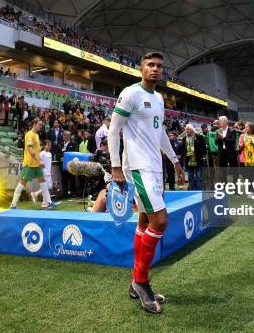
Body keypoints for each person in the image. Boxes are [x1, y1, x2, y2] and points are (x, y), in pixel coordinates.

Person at [109, 52, 185, 314]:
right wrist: (116, 167)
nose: (155, 69)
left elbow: (160, 131)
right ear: (141, 68)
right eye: (150, 65)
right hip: (138, 168)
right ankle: (141, 281)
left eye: (159, 66)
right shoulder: (130, 93)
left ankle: (135, 283)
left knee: (144, 222)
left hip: (155, 167)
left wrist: (174, 161)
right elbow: (113, 130)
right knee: (160, 221)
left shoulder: (158, 98)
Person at [10, 118, 50, 209]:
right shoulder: (29, 134)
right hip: (30, 164)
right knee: (22, 182)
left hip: (36, 164)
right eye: (39, 124)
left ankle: (48, 202)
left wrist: (40, 160)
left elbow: (36, 150)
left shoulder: (36, 135)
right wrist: (39, 161)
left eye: (41, 125)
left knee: (43, 181)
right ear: (34, 124)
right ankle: (13, 204)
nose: (41, 126)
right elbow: (30, 150)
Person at [29, 140, 60, 209]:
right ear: (44, 145)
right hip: (43, 172)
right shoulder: (41, 153)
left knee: (48, 187)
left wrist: (50, 171)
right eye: (48, 145)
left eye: (50, 145)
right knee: (46, 187)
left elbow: (50, 164)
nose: (49, 146)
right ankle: (46, 202)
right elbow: (38, 162)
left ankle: (38, 196)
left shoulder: (50, 154)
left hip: (48, 173)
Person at [239, 122, 254, 198]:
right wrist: (243, 144)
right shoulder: (242, 136)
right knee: (248, 176)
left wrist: (253, 143)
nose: (245, 128)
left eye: (247, 127)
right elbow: (239, 147)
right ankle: (251, 191)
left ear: (252, 128)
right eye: (245, 127)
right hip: (246, 159)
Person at [180, 123, 206, 190]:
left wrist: (199, 155)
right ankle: (191, 191)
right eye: (186, 129)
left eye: (188, 129)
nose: (187, 131)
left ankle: (199, 190)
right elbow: (183, 149)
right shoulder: (184, 139)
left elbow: (203, 149)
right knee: (190, 177)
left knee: (199, 177)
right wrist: (185, 155)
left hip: (198, 160)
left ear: (192, 130)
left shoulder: (199, 137)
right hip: (188, 160)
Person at [58, 131, 78, 199]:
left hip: (70, 165)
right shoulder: (60, 144)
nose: (63, 136)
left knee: (71, 179)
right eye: (63, 135)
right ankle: (65, 194)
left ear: (69, 136)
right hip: (62, 165)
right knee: (64, 180)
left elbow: (75, 154)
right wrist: (59, 158)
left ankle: (73, 193)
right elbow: (58, 153)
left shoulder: (73, 144)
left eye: (65, 135)